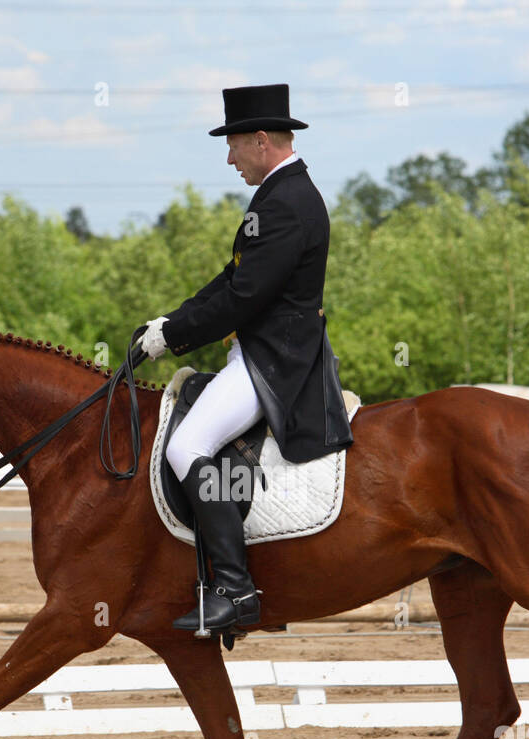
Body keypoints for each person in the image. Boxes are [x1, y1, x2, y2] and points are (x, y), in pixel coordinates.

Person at [138, 83, 353, 635]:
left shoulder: (286, 201)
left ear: (261, 140)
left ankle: (234, 590)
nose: (228, 158)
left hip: (275, 360)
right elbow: (233, 279)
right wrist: (172, 322)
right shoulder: (280, 195)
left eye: (233, 145)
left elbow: (244, 299)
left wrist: (176, 339)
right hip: (262, 351)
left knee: (188, 445)